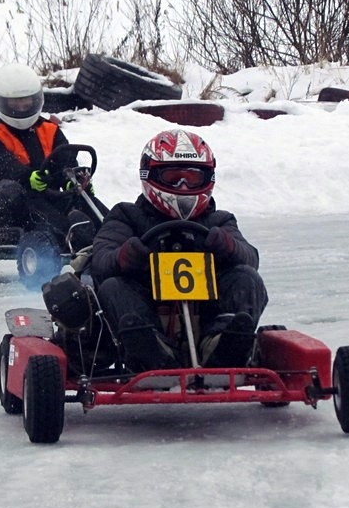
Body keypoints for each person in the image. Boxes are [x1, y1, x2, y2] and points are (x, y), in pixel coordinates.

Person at [89, 129, 268, 371]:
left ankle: (222, 343)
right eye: (173, 177)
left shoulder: (220, 220)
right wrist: (124, 256)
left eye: (192, 179)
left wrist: (228, 246)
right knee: (113, 287)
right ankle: (153, 348)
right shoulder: (127, 216)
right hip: (146, 306)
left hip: (208, 312)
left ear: (208, 178)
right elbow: (100, 261)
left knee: (247, 278)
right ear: (150, 175)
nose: (183, 187)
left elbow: (250, 258)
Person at [0, 63, 104, 245]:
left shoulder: (49, 130)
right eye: (15, 103)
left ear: (36, 99)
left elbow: (65, 162)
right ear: (2, 102)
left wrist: (72, 179)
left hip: (49, 194)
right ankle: (73, 236)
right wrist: (28, 177)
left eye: (26, 101)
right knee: (25, 196)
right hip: (15, 203)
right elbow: (3, 165)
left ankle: (112, 231)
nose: (21, 107)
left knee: (80, 197)